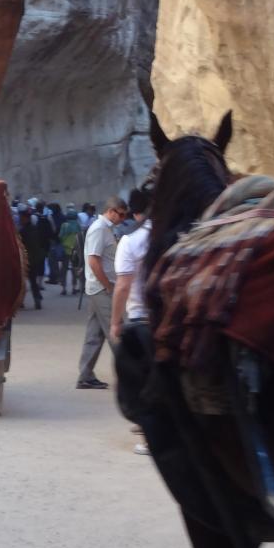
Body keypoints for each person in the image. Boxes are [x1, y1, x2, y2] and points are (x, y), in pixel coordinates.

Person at [109, 187, 152, 452]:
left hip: (140, 319)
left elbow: (123, 285)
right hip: (168, 317)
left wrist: (116, 321)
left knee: (142, 379)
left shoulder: (130, 241)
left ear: (135, 213)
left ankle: (149, 436)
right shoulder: (175, 234)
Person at [75, 196, 127, 388]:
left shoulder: (105, 229)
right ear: (111, 211)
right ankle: (129, 374)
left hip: (99, 287)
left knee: (94, 335)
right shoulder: (99, 229)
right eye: (121, 214)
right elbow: (93, 261)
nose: (122, 219)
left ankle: (85, 375)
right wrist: (108, 285)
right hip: (101, 288)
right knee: (116, 330)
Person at [18, 206, 43, 310]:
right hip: (35, 259)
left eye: (21, 218)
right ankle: (37, 299)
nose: (20, 220)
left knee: (22, 282)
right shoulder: (35, 229)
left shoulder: (23, 231)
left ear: (25, 218)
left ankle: (20, 301)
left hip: (26, 260)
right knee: (33, 281)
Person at [58, 204, 81, 295]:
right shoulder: (77, 225)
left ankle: (63, 288)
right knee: (74, 269)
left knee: (64, 269)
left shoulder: (64, 225)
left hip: (65, 250)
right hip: (75, 250)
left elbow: (60, 236)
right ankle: (74, 287)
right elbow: (80, 237)